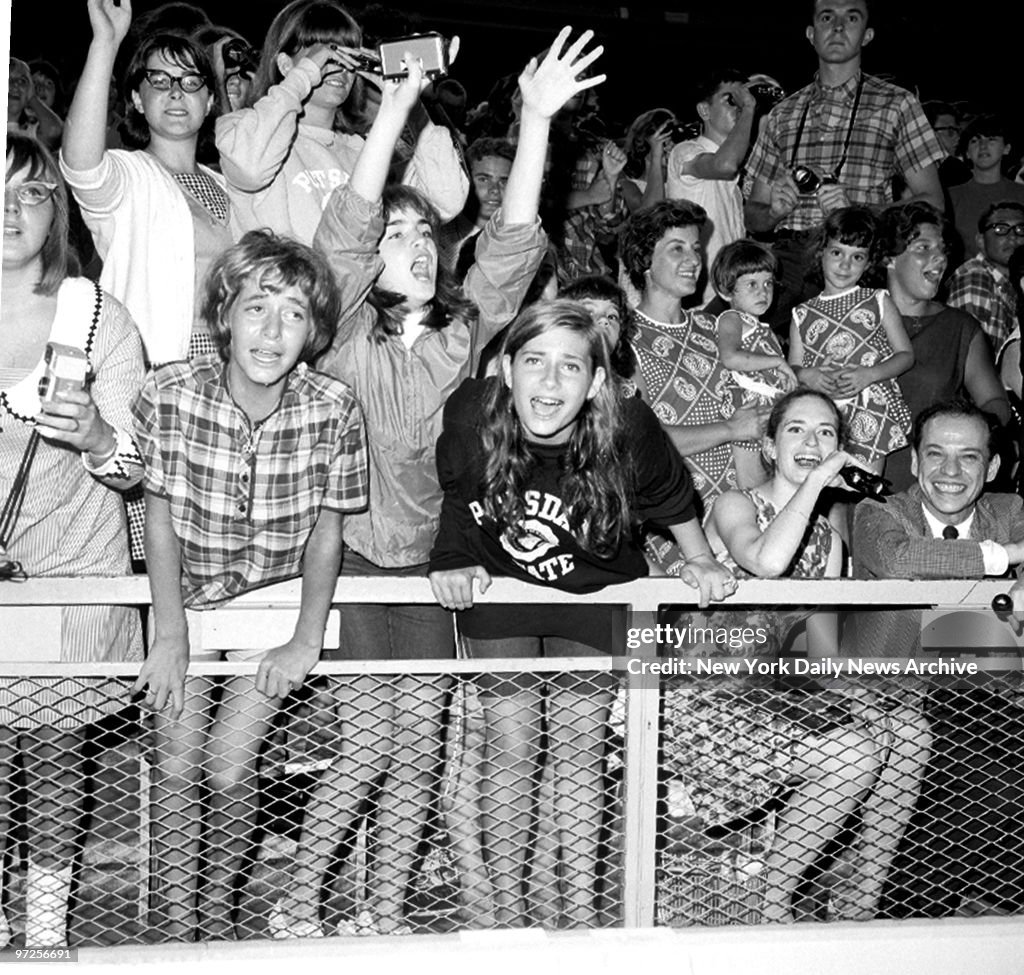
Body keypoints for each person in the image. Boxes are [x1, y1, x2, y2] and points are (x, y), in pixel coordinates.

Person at [267, 29, 567, 939]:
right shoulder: (344, 333)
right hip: (357, 558)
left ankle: (384, 906)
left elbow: (509, 249)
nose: (415, 245)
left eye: (422, 232)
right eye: (397, 236)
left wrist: (537, 120)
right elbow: (340, 246)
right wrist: (393, 105)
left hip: (442, 567)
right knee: (367, 746)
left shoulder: (466, 335)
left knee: (421, 749)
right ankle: (300, 897)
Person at [429, 300, 736, 927]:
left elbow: (673, 498)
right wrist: (452, 557)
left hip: (597, 592)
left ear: (596, 381)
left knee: (578, 746)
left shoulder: (627, 425)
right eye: (534, 361)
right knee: (511, 746)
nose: (549, 382)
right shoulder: (469, 412)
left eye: (570, 367)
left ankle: (580, 913)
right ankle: (511, 915)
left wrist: (699, 558)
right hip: (507, 590)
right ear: (506, 370)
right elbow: (459, 499)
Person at [130, 230, 368, 941]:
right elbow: (160, 517)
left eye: (293, 313)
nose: (272, 330)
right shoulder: (169, 392)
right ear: (225, 314)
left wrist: (302, 636)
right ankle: (179, 932)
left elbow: (328, 532)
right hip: (187, 595)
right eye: (257, 306)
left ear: (314, 329)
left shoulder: (332, 406)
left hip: (273, 599)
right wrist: (170, 635)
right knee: (177, 758)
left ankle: (220, 916)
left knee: (231, 764)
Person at [1, 134, 145, 947]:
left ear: (55, 209)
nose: (11, 210)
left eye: (30, 192)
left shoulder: (94, 315)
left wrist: (94, 434)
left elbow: (136, 466)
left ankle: (47, 929)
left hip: (74, 571)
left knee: (55, 758)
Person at [690, 388, 882, 922]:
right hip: (708, 698)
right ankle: (770, 907)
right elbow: (767, 562)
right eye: (795, 428)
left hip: (775, 700)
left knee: (879, 738)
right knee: (852, 753)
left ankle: (818, 901)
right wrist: (821, 480)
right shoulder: (736, 503)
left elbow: (812, 652)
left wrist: (860, 698)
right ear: (770, 447)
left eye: (826, 433)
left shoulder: (829, 542)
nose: (811, 441)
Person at [850, 400, 1024, 917]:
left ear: (992, 468)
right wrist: (1008, 559)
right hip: (899, 696)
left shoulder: (1012, 513)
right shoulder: (879, 514)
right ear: (912, 460)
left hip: (992, 700)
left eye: (968, 457)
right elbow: (901, 560)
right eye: (936, 454)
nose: (950, 472)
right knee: (956, 760)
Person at [743, 0, 944, 332]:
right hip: (790, 258)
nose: (837, 27)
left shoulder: (898, 103)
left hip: (859, 254)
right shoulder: (783, 113)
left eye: (851, 18)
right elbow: (753, 215)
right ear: (811, 33)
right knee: (733, 332)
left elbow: (933, 202)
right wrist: (774, 211)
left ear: (867, 35)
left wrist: (860, 209)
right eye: (827, 17)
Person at [60, 0, 232, 366]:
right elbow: (82, 167)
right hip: (158, 377)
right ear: (137, 99)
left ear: (211, 99)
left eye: (191, 82)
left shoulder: (230, 185)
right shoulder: (130, 177)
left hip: (234, 373)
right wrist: (105, 43)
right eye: (159, 80)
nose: (175, 92)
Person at [215, 0, 468, 245]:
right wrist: (304, 75)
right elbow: (249, 169)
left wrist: (409, 102)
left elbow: (443, 203)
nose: (339, 67)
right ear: (284, 63)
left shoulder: (362, 150)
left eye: (347, 53)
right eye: (326, 54)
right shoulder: (242, 128)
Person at [620, 199, 769, 542]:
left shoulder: (715, 327)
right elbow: (640, 443)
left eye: (696, 249)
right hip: (676, 519)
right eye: (676, 249)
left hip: (742, 511)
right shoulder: (624, 339)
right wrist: (731, 429)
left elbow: (753, 417)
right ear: (645, 260)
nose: (693, 261)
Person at [876, 202, 1010, 491]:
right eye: (923, 248)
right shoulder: (856, 318)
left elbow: (995, 403)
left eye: (942, 249)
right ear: (889, 258)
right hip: (859, 481)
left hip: (933, 485)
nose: (939, 258)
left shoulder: (960, 327)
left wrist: (966, 436)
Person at [789, 206, 914, 471]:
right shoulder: (802, 313)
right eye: (837, 253)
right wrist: (807, 375)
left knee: (864, 487)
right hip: (822, 412)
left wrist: (870, 374)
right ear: (821, 251)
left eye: (857, 257)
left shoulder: (877, 301)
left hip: (869, 409)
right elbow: (793, 368)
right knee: (824, 486)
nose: (845, 265)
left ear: (869, 262)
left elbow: (906, 356)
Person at [711, 239, 797, 487]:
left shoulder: (763, 328)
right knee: (753, 484)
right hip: (748, 406)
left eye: (768, 283)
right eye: (751, 285)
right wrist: (776, 362)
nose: (763, 292)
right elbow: (730, 357)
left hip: (770, 407)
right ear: (726, 291)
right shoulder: (731, 318)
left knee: (772, 478)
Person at [666, 70, 757, 305]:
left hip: (729, 293)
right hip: (699, 298)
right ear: (705, 110)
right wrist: (748, 109)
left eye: (741, 100)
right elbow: (724, 164)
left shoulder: (737, 178)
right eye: (730, 99)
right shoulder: (685, 151)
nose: (738, 106)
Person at [947, 201, 1024, 355]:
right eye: (1000, 229)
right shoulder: (975, 277)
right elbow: (969, 358)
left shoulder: (1012, 285)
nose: (1012, 237)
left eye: (1021, 229)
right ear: (980, 241)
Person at [948, 116, 1024, 258]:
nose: (983, 146)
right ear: (967, 153)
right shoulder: (951, 197)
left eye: (991, 139)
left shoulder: (1021, 194)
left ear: (1006, 148)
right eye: (975, 141)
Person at [440, 136, 515, 278]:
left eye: (504, 181)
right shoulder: (438, 234)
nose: (494, 189)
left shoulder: (518, 238)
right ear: (465, 180)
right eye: (484, 179)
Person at [7, 58, 64, 152]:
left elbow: (53, 130)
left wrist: (32, 98)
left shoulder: (30, 136)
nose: (39, 88)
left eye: (48, 83)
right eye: (34, 82)